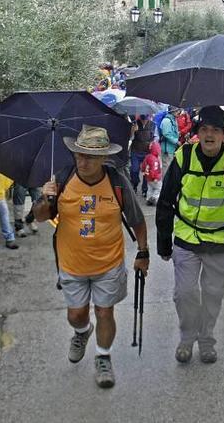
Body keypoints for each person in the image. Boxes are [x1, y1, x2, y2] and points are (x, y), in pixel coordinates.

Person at [34, 125, 148, 389]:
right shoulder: (62, 178)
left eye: (90, 157)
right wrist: (45, 198)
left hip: (109, 263)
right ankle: (83, 332)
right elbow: (41, 216)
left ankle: (103, 356)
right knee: (76, 315)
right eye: (79, 154)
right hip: (72, 263)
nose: (82, 161)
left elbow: (137, 220)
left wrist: (143, 252)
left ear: (103, 158)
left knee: (104, 311)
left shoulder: (117, 182)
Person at [155, 105, 224, 364]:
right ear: (197, 133)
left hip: (221, 241)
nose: (209, 135)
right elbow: (166, 200)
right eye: (204, 129)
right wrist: (164, 243)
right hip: (187, 239)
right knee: (184, 294)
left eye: (215, 130)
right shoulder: (184, 157)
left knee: (212, 295)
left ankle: (206, 340)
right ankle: (186, 337)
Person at [129, 114, 155, 197]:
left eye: (146, 119)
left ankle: (145, 190)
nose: (144, 121)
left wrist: (152, 143)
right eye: (143, 119)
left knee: (146, 172)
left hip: (147, 152)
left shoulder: (153, 125)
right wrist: (133, 130)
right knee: (134, 170)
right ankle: (134, 184)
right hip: (136, 151)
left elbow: (155, 137)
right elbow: (131, 138)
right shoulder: (135, 124)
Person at [140, 140, 162, 205]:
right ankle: (154, 198)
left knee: (150, 188)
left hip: (148, 177)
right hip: (155, 178)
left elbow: (143, 164)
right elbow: (154, 169)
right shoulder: (155, 159)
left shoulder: (148, 156)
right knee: (158, 188)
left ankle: (148, 199)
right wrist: (155, 177)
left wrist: (143, 171)